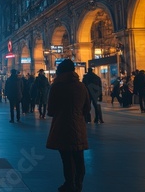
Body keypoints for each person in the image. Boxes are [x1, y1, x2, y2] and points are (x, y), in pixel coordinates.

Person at [46, 59, 90, 192]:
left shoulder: (56, 86)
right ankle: (79, 183)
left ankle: (69, 183)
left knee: (66, 158)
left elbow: (51, 110)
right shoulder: (81, 86)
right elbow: (87, 108)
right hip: (78, 126)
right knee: (78, 157)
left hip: (61, 126)